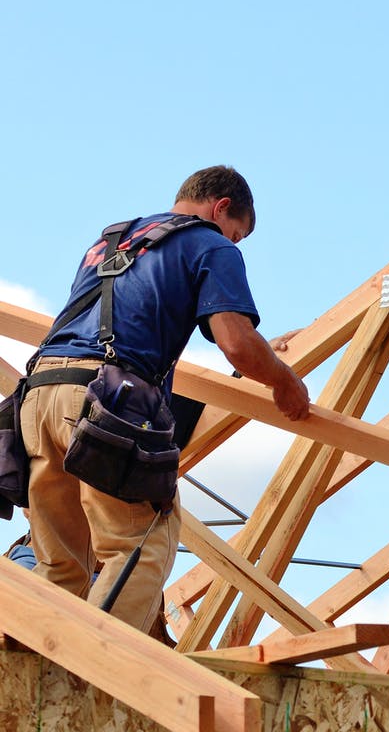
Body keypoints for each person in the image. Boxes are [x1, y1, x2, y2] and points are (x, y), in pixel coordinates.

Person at [19, 165, 310, 634]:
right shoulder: (210, 245)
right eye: (237, 234)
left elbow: (126, 323)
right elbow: (235, 340)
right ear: (221, 209)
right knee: (143, 544)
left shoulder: (112, 241)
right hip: (104, 398)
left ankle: (41, 674)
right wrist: (283, 382)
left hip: (40, 394)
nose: (233, 245)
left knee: (64, 563)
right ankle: (96, 672)